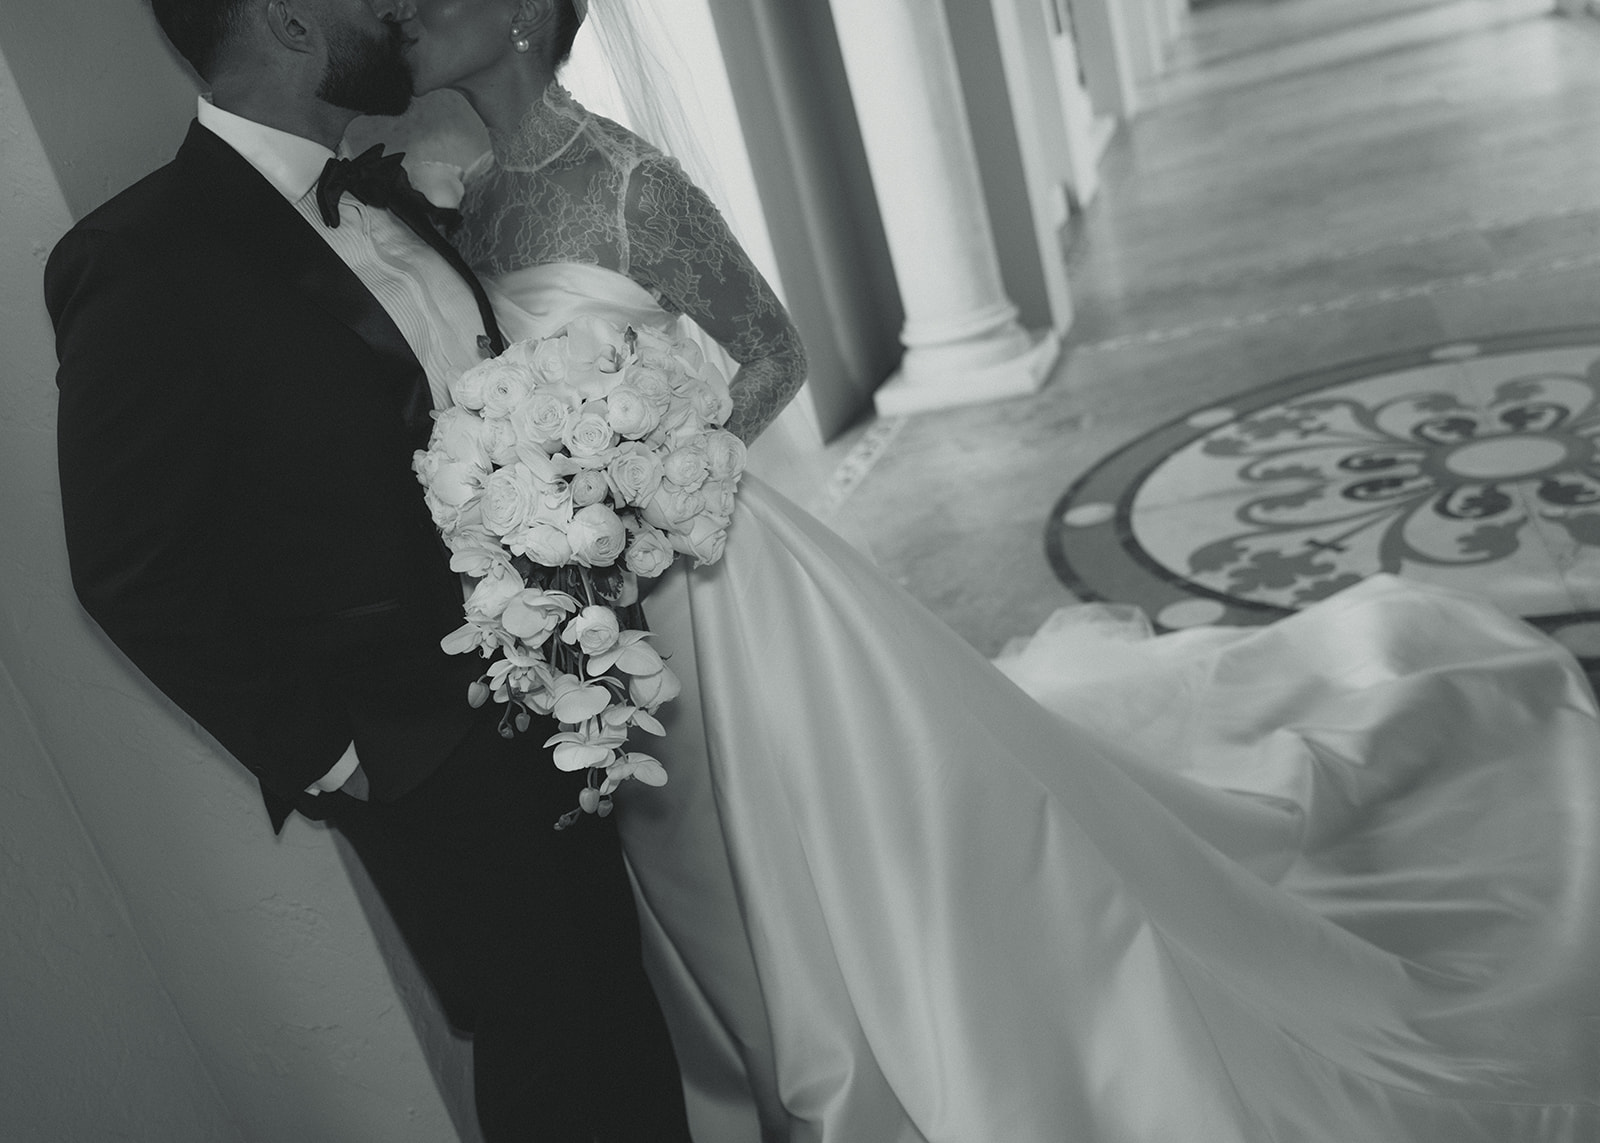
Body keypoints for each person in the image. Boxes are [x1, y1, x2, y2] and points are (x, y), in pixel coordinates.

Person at [392, 2, 1600, 1140]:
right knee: (698, 843)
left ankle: (915, 1048)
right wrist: (561, 502)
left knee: (853, 824)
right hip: (603, 600)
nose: (404, 12)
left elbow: (769, 355)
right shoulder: (475, 200)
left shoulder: (627, 185)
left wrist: (649, 478)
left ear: (522, 13)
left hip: (711, 574)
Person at [44, 1, 692, 1139]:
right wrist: (338, 757)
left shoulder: (387, 190)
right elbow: (127, 563)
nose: (392, 6)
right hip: (417, 749)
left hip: (553, 691)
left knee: (608, 1010)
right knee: (550, 1053)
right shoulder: (139, 258)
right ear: (291, 25)